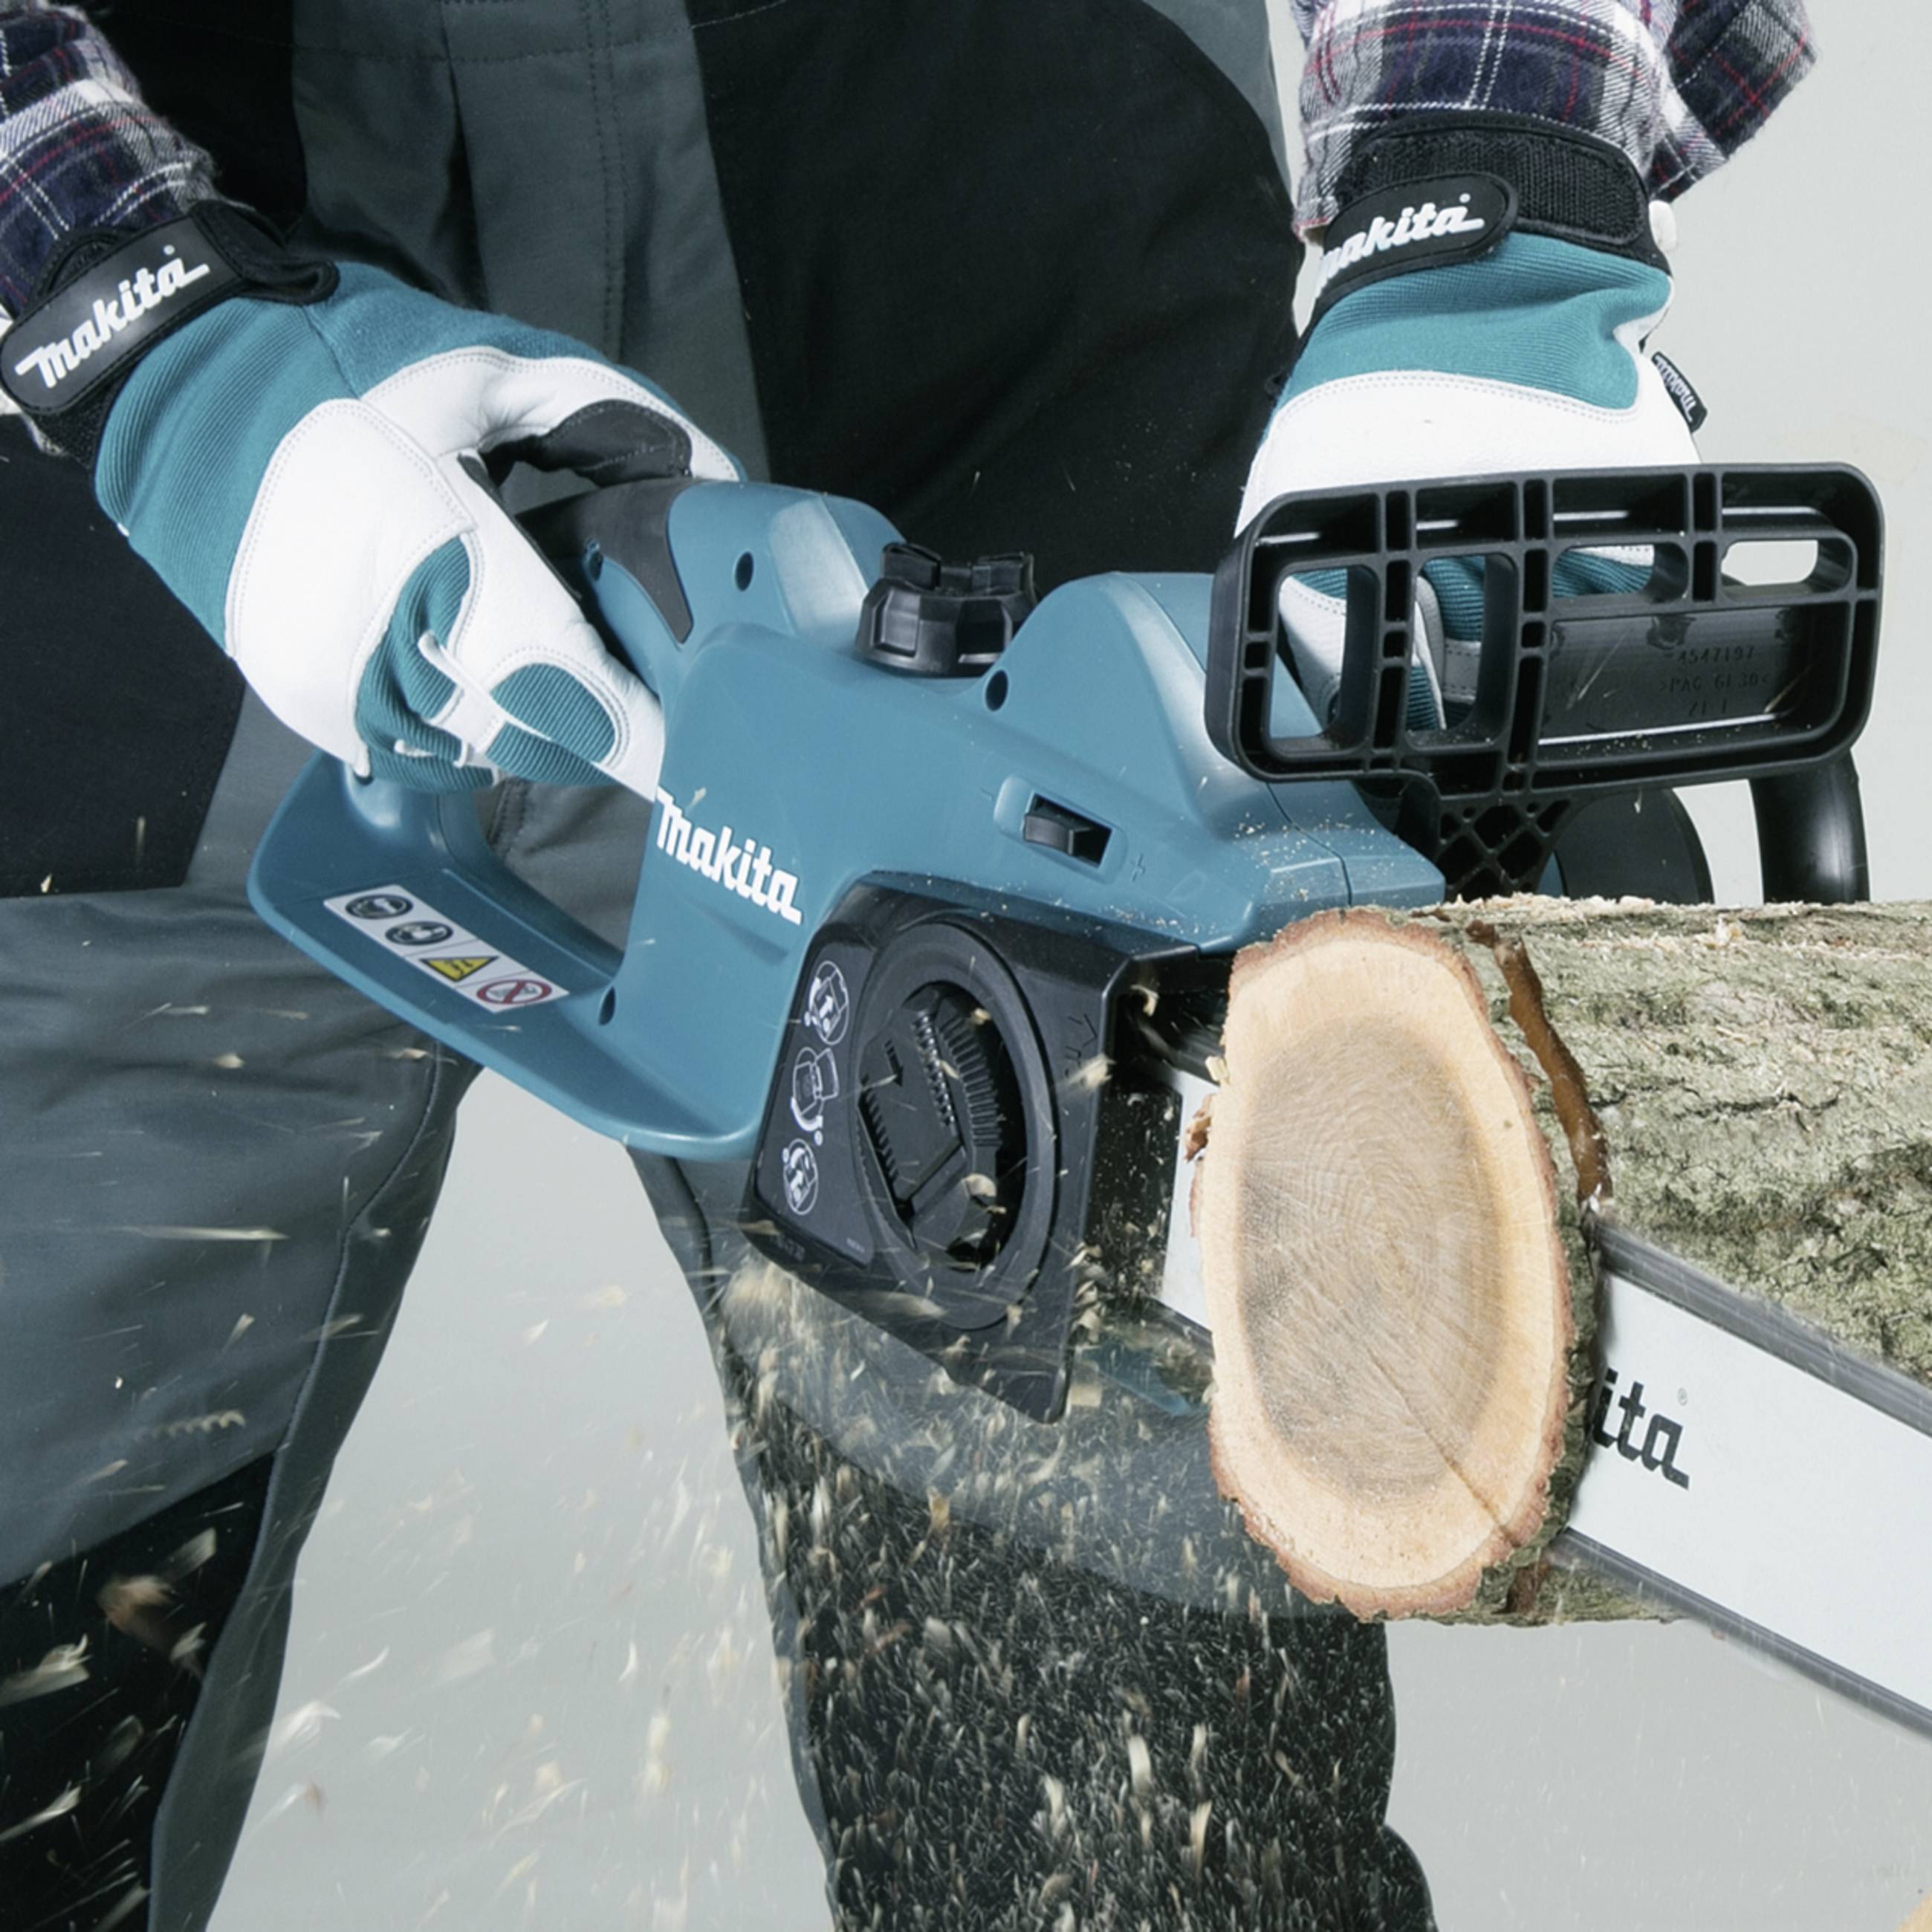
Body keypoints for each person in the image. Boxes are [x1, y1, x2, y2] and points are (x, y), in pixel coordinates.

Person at [0, 1, 1815, 1926]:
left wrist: (1484, 196)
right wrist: (121, 313)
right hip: (124, 470)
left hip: (1004, 312)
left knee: (1136, 1843)